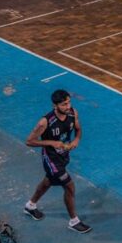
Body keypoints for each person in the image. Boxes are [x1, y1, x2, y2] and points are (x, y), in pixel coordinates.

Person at [23, 89, 91, 233]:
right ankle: (74, 221)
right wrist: (51, 143)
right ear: (55, 106)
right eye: (64, 104)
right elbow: (29, 141)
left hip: (64, 156)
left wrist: (77, 139)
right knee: (69, 186)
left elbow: (78, 129)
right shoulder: (45, 122)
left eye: (68, 102)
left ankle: (30, 206)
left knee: (48, 181)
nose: (68, 107)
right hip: (51, 159)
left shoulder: (73, 113)